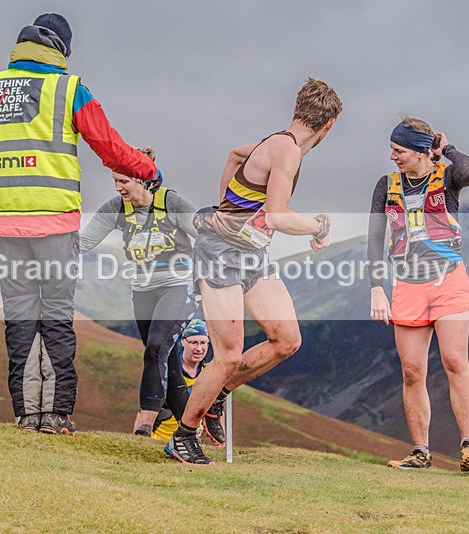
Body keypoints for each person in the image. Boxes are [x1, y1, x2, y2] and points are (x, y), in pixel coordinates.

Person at [0, 13, 161, 435]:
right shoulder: (70, 88)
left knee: (19, 318)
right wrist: (146, 169)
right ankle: (54, 415)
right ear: (61, 51)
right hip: (53, 222)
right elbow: (108, 145)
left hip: (5, 223)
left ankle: (26, 414)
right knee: (55, 316)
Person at [165, 78, 342, 465]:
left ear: (297, 110)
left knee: (287, 339)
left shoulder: (276, 145)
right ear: (329, 126)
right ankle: (182, 436)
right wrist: (320, 225)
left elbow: (233, 154)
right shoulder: (287, 151)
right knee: (228, 355)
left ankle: (217, 398)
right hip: (220, 255)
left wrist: (225, 204)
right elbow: (278, 216)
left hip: (252, 256)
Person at [367, 116, 469, 472]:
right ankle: (421, 452)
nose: (393, 156)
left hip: (448, 281)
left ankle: (468, 446)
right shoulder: (385, 186)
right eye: (392, 149)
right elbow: (374, 239)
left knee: (454, 361)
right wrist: (376, 288)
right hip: (407, 285)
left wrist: (445, 148)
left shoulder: (448, 176)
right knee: (412, 371)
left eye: (399, 150)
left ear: (420, 151)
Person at [78, 148, 211, 439]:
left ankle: (144, 427)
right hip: (142, 291)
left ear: (142, 178)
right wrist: (41, 238)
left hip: (177, 286)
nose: (117, 187)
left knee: (155, 350)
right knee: (169, 363)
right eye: (114, 180)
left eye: (123, 181)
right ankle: (194, 430)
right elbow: (84, 241)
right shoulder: (116, 207)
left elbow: (205, 234)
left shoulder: (170, 202)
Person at [149, 319, 210, 442]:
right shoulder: (166, 370)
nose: (199, 348)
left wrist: (222, 443)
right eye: (193, 342)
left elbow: (218, 411)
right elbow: (148, 407)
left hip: (192, 441)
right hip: (159, 440)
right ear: (182, 341)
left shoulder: (209, 372)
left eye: (203, 343)